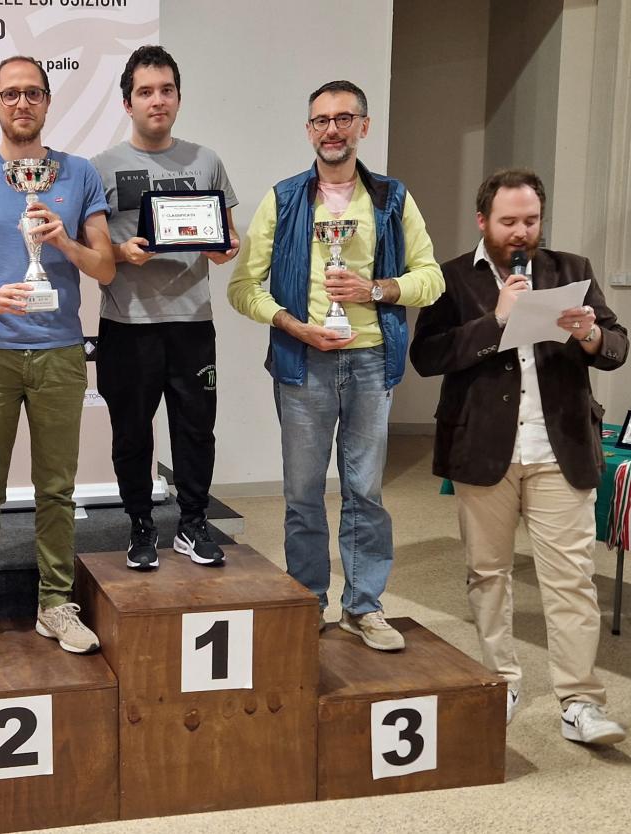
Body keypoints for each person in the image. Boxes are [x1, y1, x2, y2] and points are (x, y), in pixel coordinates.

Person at [410, 168, 628, 743]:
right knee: (488, 574)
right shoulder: (452, 278)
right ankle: (501, 680)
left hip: (561, 446)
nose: (521, 232)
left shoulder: (572, 270)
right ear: (483, 221)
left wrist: (588, 335)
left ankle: (580, 702)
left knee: (572, 579)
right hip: (483, 447)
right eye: (509, 221)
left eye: (531, 220)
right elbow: (427, 356)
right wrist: (498, 320)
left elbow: (616, 347)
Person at [228, 80, 444, 650]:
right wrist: (293, 325)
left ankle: (364, 607)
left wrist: (375, 289)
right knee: (302, 493)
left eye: (344, 118)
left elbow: (432, 279)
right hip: (303, 363)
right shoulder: (284, 198)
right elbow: (243, 287)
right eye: (321, 120)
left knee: (365, 492)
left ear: (363, 127)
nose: (332, 129)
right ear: (309, 130)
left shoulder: (392, 198)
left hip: (371, 362)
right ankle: (308, 600)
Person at [0, 56, 115, 660]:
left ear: (47, 101)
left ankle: (55, 603)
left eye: (33, 92)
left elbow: (105, 267)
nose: (22, 103)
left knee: (57, 489)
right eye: (10, 94)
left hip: (59, 352)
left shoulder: (79, 173)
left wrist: (64, 241)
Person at [91, 45, 239, 571]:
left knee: (196, 430)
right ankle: (140, 526)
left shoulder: (206, 160)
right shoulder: (99, 168)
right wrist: (120, 253)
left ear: (178, 97)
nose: (158, 100)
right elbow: (92, 251)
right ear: (127, 103)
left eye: (166, 90)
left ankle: (193, 525)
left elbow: (228, 238)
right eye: (146, 92)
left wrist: (225, 246)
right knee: (131, 433)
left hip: (192, 322)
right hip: (127, 324)